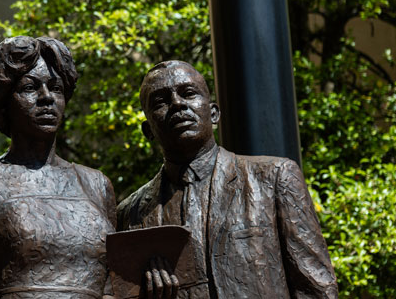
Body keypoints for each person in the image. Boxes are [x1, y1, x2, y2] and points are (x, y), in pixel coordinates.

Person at [116, 60, 338, 298]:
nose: (177, 104)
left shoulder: (274, 177)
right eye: (161, 101)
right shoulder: (130, 214)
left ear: (213, 113)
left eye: (188, 93)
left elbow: (316, 287)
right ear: (148, 130)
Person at [0, 36, 116, 299]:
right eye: (29, 87)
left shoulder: (98, 185)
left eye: (56, 87)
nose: (46, 98)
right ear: (3, 102)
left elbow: (113, 286)